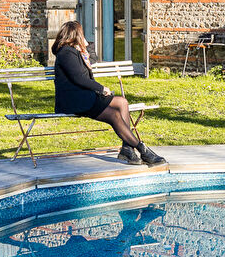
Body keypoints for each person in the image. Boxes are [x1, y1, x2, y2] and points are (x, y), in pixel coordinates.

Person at [51, 20, 164, 164]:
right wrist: (101, 88)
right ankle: (142, 149)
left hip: (84, 96)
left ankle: (127, 149)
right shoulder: (66, 53)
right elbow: (79, 78)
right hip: (74, 100)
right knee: (114, 115)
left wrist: (87, 44)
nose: (82, 36)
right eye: (81, 34)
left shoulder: (76, 52)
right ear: (75, 35)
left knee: (122, 102)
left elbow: (93, 59)